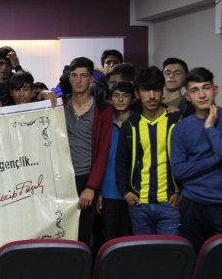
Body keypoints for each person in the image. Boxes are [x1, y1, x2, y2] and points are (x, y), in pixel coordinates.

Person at [116, 66, 181, 236]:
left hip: (170, 202)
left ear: (162, 91)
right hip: (139, 203)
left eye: (156, 90)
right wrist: (125, 191)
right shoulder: (130, 125)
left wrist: (180, 191)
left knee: (171, 250)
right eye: (146, 90)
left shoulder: (176, 121)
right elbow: (121, 161)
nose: (152, 96)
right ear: (137, 93)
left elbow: (187, 158)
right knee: (144, 250)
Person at [171, 67, 222, 252]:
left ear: (215, 90)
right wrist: (215, 160)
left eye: (206, 87)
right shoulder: (181, 128)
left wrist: (209, 127)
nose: (201, 95)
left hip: (220, 202)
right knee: (193, 257)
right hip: (192, 203)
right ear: (188, 96)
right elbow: (178, 171)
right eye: (194, 90)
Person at [64, 57, 113, 246]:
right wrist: (44, 94)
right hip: (63, 179)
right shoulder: (61, 105)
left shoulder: (103, 109)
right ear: (69, 78)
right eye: (74, 75)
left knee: (83, 234)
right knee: (63, 233)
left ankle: (83, 266)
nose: (78, 80)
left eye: (83, 76)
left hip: (87, 178)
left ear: (91, 79)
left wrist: (92, 187)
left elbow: (103, 151)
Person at [97, 81, 134, 241]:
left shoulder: (138, 122)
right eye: (116, 95)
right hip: (108, 190)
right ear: (110, 99)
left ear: (132, 98)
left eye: (125, 96)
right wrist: (98, 191)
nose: (120, 100)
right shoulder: (104, 123)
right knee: (110, 239)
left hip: (132, 191)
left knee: (129, 239)